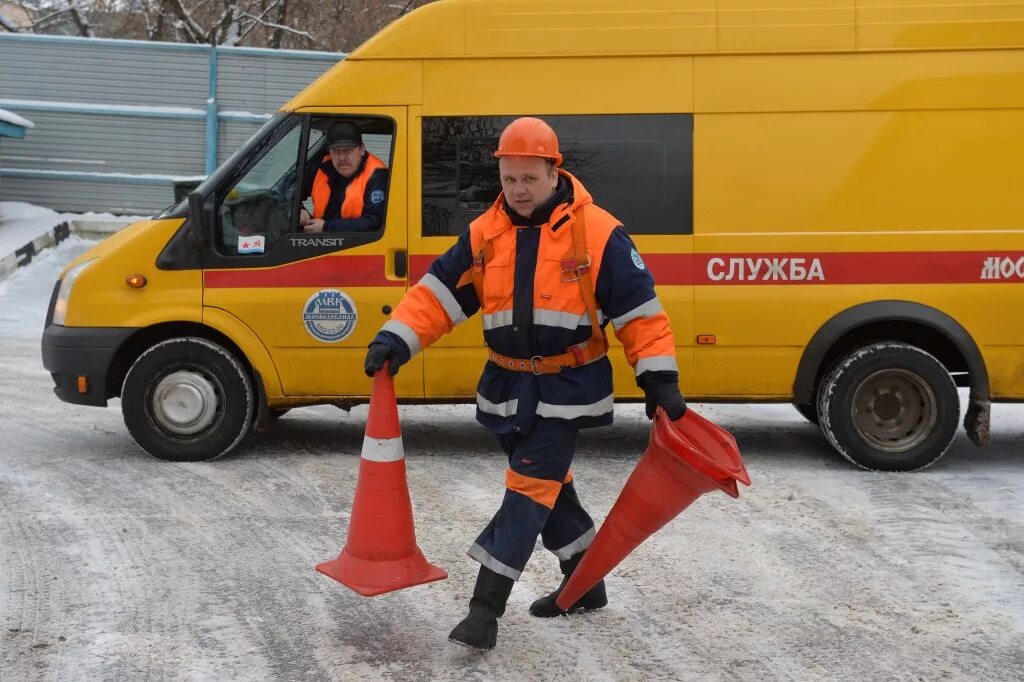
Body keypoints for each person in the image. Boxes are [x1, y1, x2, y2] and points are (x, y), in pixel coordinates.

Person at [363, 117, 686, 650]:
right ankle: (585, 579)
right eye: (509, 179)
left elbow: (640, 313)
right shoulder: (485, 233)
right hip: (507, 386)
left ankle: (484, 609)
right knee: (549, 487)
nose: (517, 190)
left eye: (528, 179)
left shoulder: (599, 231)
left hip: (567, 388)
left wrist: (659, 379)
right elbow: (437, 295)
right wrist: (396, 339)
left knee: (527, 492)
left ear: (553, 170)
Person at [299, 120, 388, 233]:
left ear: (361, 149)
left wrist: (327, 227)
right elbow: (288, 192)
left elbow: (375, 222)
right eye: (336, 151)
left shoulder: (377, 174)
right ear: (329, 152)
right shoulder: (321, 167)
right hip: (319, 244)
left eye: (347, 151)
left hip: (357, 246)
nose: (342, 158)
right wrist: (299, 209)